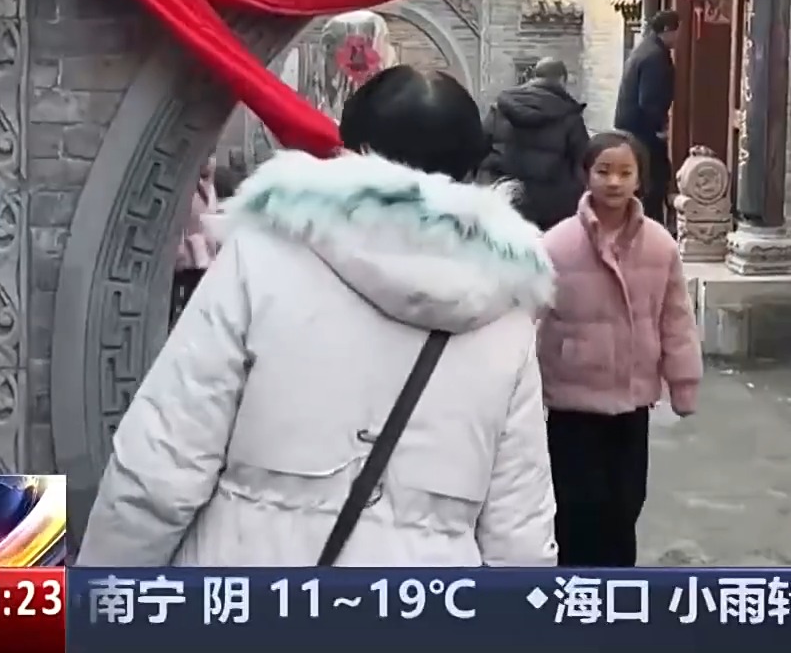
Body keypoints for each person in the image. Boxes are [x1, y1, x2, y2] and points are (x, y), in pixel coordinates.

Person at [78, 66, 559, 567]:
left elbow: (162, 463)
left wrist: (104, 591)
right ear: (471, 170)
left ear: (352, 150)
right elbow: (520, 531)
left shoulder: (263, 256)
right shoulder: (507, 308)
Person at [538, 131, 702, 567]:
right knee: (574, 504)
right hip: (571, 399)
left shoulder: (660, 246)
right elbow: (528, 319)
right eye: (603, 171)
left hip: (632, 399)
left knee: (625, 502)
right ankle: (574, 586)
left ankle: (618, 586)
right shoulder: (556, 246)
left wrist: (683, 383)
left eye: (625, 172)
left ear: (639, 179)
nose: (614, 181)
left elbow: (676, 319)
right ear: (586, 175)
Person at [479, 57, 590, 231]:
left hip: (504, 198)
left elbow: (481, 147)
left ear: (533, 76)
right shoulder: (570, 116)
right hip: (552, 209)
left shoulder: (500, 108)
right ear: (562, 79)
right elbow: (583, 161)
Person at [614, 9, 680, 224]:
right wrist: (659, 128)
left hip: (631, 128)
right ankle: (649, 226)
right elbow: (650, 99)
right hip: (643, 131)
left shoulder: (645, 49)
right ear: (668, 30)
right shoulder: (655, 57)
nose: (679, 37)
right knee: (654, 182)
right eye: (677, 31)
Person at [169, 158, 221, 327]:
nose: (209, 163)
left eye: (212, 158)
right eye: (207, 159)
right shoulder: (185, 186)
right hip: (184, 253)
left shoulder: (210, 188)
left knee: (195, 299)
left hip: (203, 256)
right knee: (176, 296)